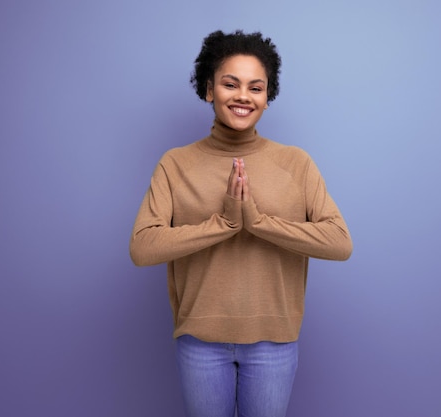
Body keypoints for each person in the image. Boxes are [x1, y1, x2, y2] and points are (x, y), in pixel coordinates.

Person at [130, 29, 352, 417]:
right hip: (200, 342)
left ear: (268, 98)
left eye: (256, 87)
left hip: (274, 342)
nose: (243, 96)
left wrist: (258, 222)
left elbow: (339, 243)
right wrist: (224, 223)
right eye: (230, 84)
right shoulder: (175, 163)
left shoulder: (296, 163)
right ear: (208, 90)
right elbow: (143, 247)